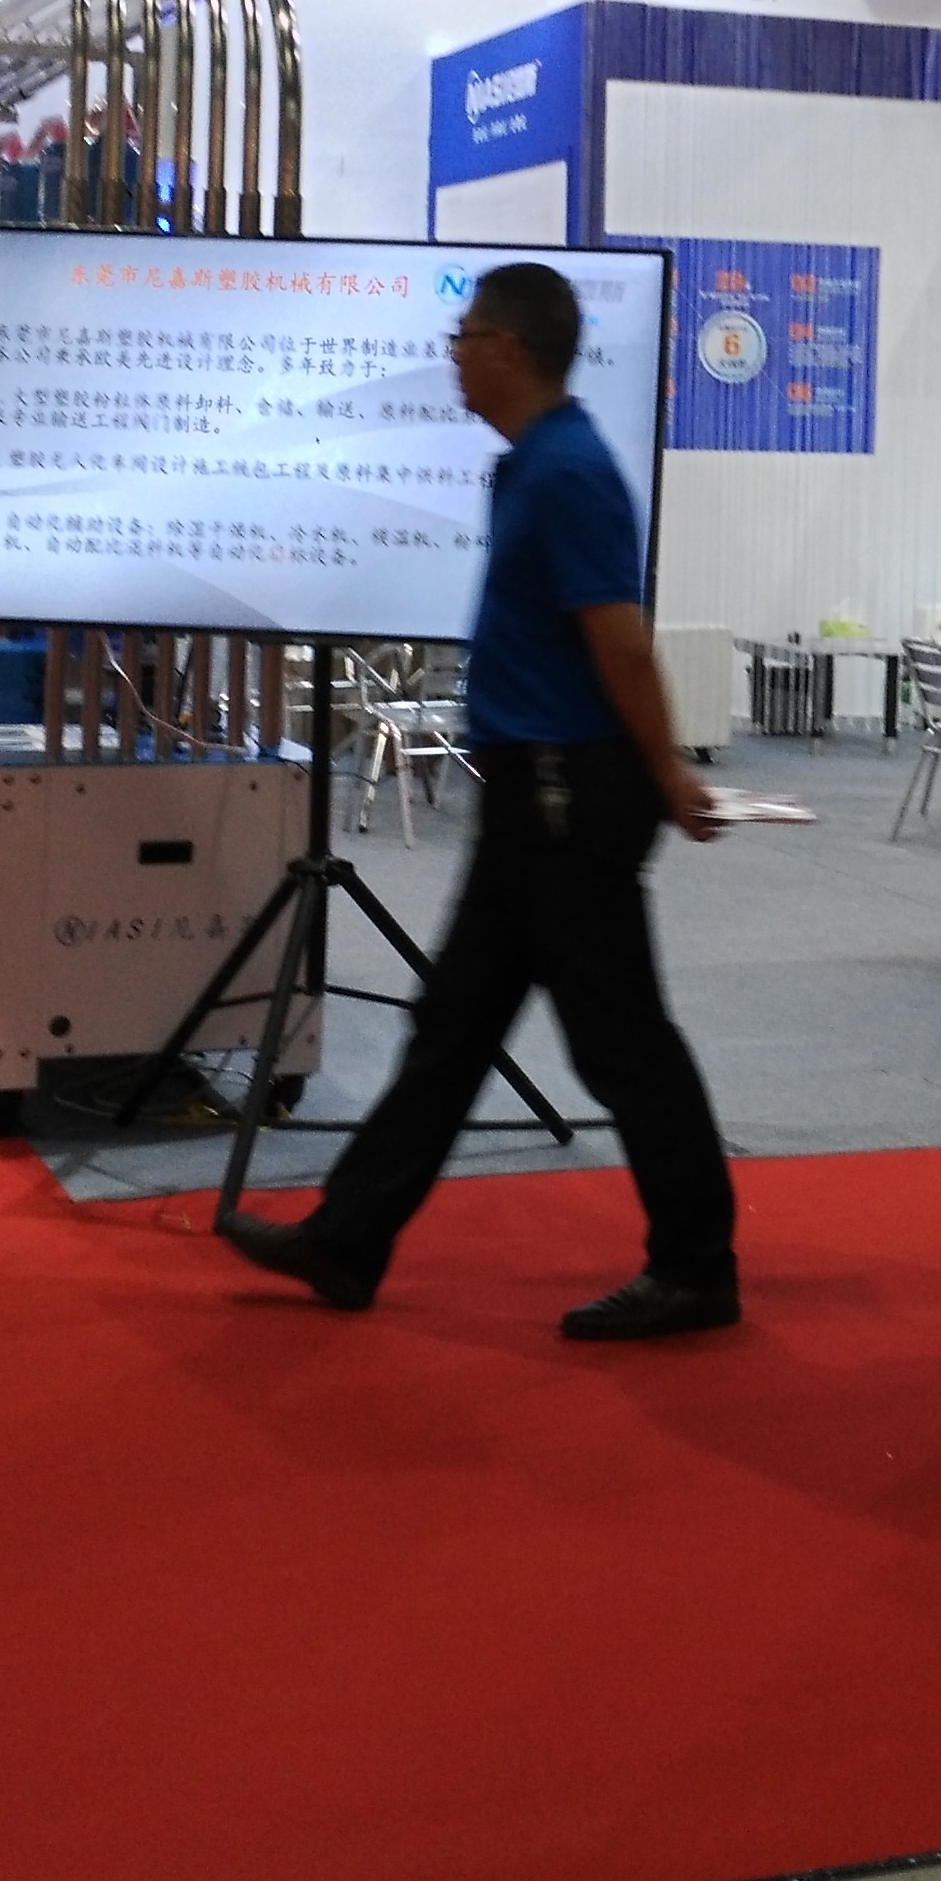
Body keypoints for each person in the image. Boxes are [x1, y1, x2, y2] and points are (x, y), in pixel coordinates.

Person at [223, 260, 744, 1340]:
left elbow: (620, 642)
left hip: (566, 797)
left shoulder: (569, 473)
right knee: (452, 1030)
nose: (453, 354)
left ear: (508, 347)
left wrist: (667, 775)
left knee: (619, 1044)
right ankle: (347, 1239)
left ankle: (697, 1265)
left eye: (464, 336)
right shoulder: (532, 465)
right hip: (527, 797)